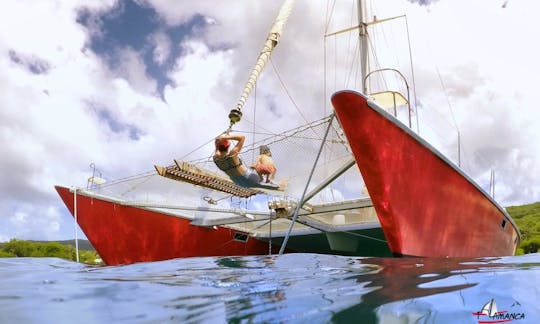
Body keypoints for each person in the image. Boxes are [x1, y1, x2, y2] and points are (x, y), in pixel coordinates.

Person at [213, 134, 280, 189]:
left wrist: (220, 141)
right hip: (248, 178)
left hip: (238, 182)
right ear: (228, 146)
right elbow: (242, 137)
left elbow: (217, 150)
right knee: (272, 185)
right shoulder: (232, 154)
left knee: (265, 185)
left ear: (217, 147)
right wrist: (225, 137)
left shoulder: (215, 159)